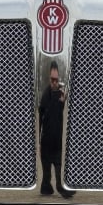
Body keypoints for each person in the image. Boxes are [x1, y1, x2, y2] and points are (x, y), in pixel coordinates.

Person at [39, 62, 75, 198]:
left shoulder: (60, 94)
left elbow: (59, 115)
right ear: (49, 78)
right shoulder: (45, 95)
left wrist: (62, 102)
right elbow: (44, 116)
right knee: (47, 173)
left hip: (57, 139)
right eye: (52, 79)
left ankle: (60, 186)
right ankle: (46, 187)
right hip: (47, 140)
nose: (54, 82)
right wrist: (39, 141)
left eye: (56, 79)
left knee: (58, 166)